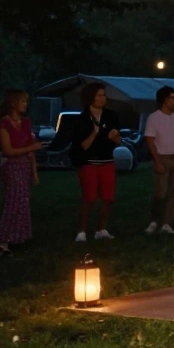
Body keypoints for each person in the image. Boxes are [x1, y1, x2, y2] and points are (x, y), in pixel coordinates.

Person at [71, 82, 122, 242]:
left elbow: (118, 140)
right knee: (89, 197)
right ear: (90, 97)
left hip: (107, 161)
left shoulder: (111, 116)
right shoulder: (82, 119)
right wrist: (95, 133)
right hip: (89, 162)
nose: (102, 98)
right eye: (99, 95)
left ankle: (101, 229)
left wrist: (115, 138)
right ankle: (82, 231)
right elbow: (83, 145)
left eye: (104, 95)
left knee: (108, 197)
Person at [0, 90, 41, 256]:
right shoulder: (3, 124)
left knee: (23, 201)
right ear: (13, 103)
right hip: (11, 166)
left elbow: (31, 150)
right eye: (22, 101)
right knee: (13, 201)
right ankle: (3, 240)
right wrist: (32, 148)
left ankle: (18, 236)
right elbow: (8, 150)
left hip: (24, 165)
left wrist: (34, 172)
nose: (25, 104)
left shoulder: (26, 123)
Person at [144, 85, 174, 235]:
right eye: (172, 97)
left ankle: (167, 223)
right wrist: (157, 161)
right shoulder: (154, 118)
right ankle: (154, 220)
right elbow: (150, 141)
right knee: (160, 193)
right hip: (162, 157)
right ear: (164, 100)